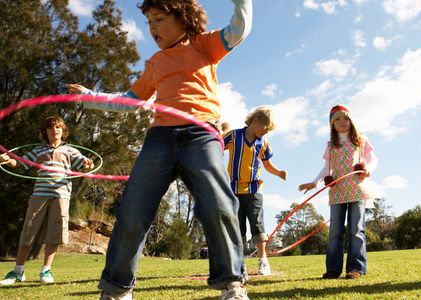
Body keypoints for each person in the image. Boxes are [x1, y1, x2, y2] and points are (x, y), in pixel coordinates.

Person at [66, 0, 252, 299]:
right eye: (148, 22)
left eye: (159, 19)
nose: (152, 28)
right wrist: (90, 96)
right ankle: (117, 288)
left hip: (200, 134)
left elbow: (239, 30)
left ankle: (232, 283)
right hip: (160, 138)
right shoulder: (155, 62)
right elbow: (129, 101)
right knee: (132, 209)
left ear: (182, 18)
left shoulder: (204, 45)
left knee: (218, 204)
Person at [0, 116, 94, 286]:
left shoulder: (71, 150)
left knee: (54, 234)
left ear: (63, 131)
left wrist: (89, 163)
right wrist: (8, 160)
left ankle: (46, 270)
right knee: (28, 231)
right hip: (39, 195)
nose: (54, 130)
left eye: (58, 127)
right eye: (50, 127)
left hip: (61, 196)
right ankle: (18, 271)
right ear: (45, 132)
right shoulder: (38, 150)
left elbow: (85, 165)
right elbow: (19, 163)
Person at [298, 104, 378, 280]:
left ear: (351, 120)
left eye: (346, 118)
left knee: (356, 230)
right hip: (337, 191)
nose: (343, 122)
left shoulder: (361, 139)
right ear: (332, 124)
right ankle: (333, 269)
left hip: (357, 189)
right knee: (335, 231)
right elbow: (327, 168)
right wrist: (315, 182)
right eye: (338, 119)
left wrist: (367, 168)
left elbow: (373, 159)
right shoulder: (331, 145)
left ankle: (356, 269)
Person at [223, 107, 287, 276]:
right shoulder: (233, 136)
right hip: (233, 189)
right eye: (265, 129)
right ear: (256, 121)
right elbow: (216, 146)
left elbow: (267, 164)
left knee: (257, 225)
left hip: (254, 189)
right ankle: (238, 263)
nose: (266, 133)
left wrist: (279, 172)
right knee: (237, 227)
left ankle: (263, 261)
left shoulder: (263, 142)